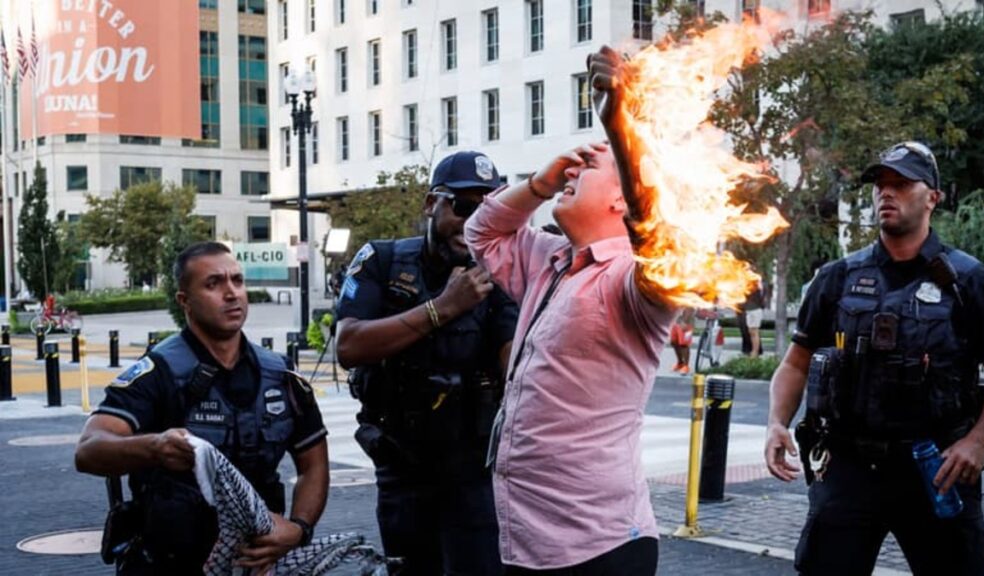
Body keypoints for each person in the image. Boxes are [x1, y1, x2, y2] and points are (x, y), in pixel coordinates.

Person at [462, 47, 679, 575]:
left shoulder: (634, 281)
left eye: (594, 159)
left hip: (599, 547)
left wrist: (620, 125)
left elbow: (658, 240)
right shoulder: (550, 258)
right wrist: (537, 185)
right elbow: (481, 232)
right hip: (525, 541)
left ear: (622, 200)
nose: (576, 161)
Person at [764, 141, 984, 575]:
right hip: (849, 469)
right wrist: (776, 422)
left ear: (933, 197)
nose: (886, 193)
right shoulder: (838, 278)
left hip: (935, 469)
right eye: (881, 185)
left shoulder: (970, 281)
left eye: (901, 184)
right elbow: (795, 362)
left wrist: (978, 441)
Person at [75, 242, 330, 575]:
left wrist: (299, 528)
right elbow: (88, 450)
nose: (231, 293)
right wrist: (152, 447)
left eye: (237, 281)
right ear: (185, 301)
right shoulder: (159, 372)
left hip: (255, 564)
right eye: (214, 284)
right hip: (169, 564)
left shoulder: (280, 375)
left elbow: (314, 465)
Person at [335, 150, 518, 576]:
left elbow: (517, 368)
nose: (474, 221)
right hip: (403, 468)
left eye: (488, 209)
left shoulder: (496, 276)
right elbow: (349, 346)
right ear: (430, 203)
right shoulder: (382, 261)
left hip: (472, 473)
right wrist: (443, 309)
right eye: (464, 206)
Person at [742, 280, 765, 358]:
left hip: (755, 310)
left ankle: (755, 352)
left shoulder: (756, 285)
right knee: (751, 331)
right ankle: (753, 351)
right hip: (749, 310)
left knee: (754, 331)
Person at [670, 308, 695, 373]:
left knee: (684, 344)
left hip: (687, 322)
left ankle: (686, 366)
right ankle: (680, 363)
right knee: (674, 342)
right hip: (676, 321)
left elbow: (691, 308)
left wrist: (685, 321)